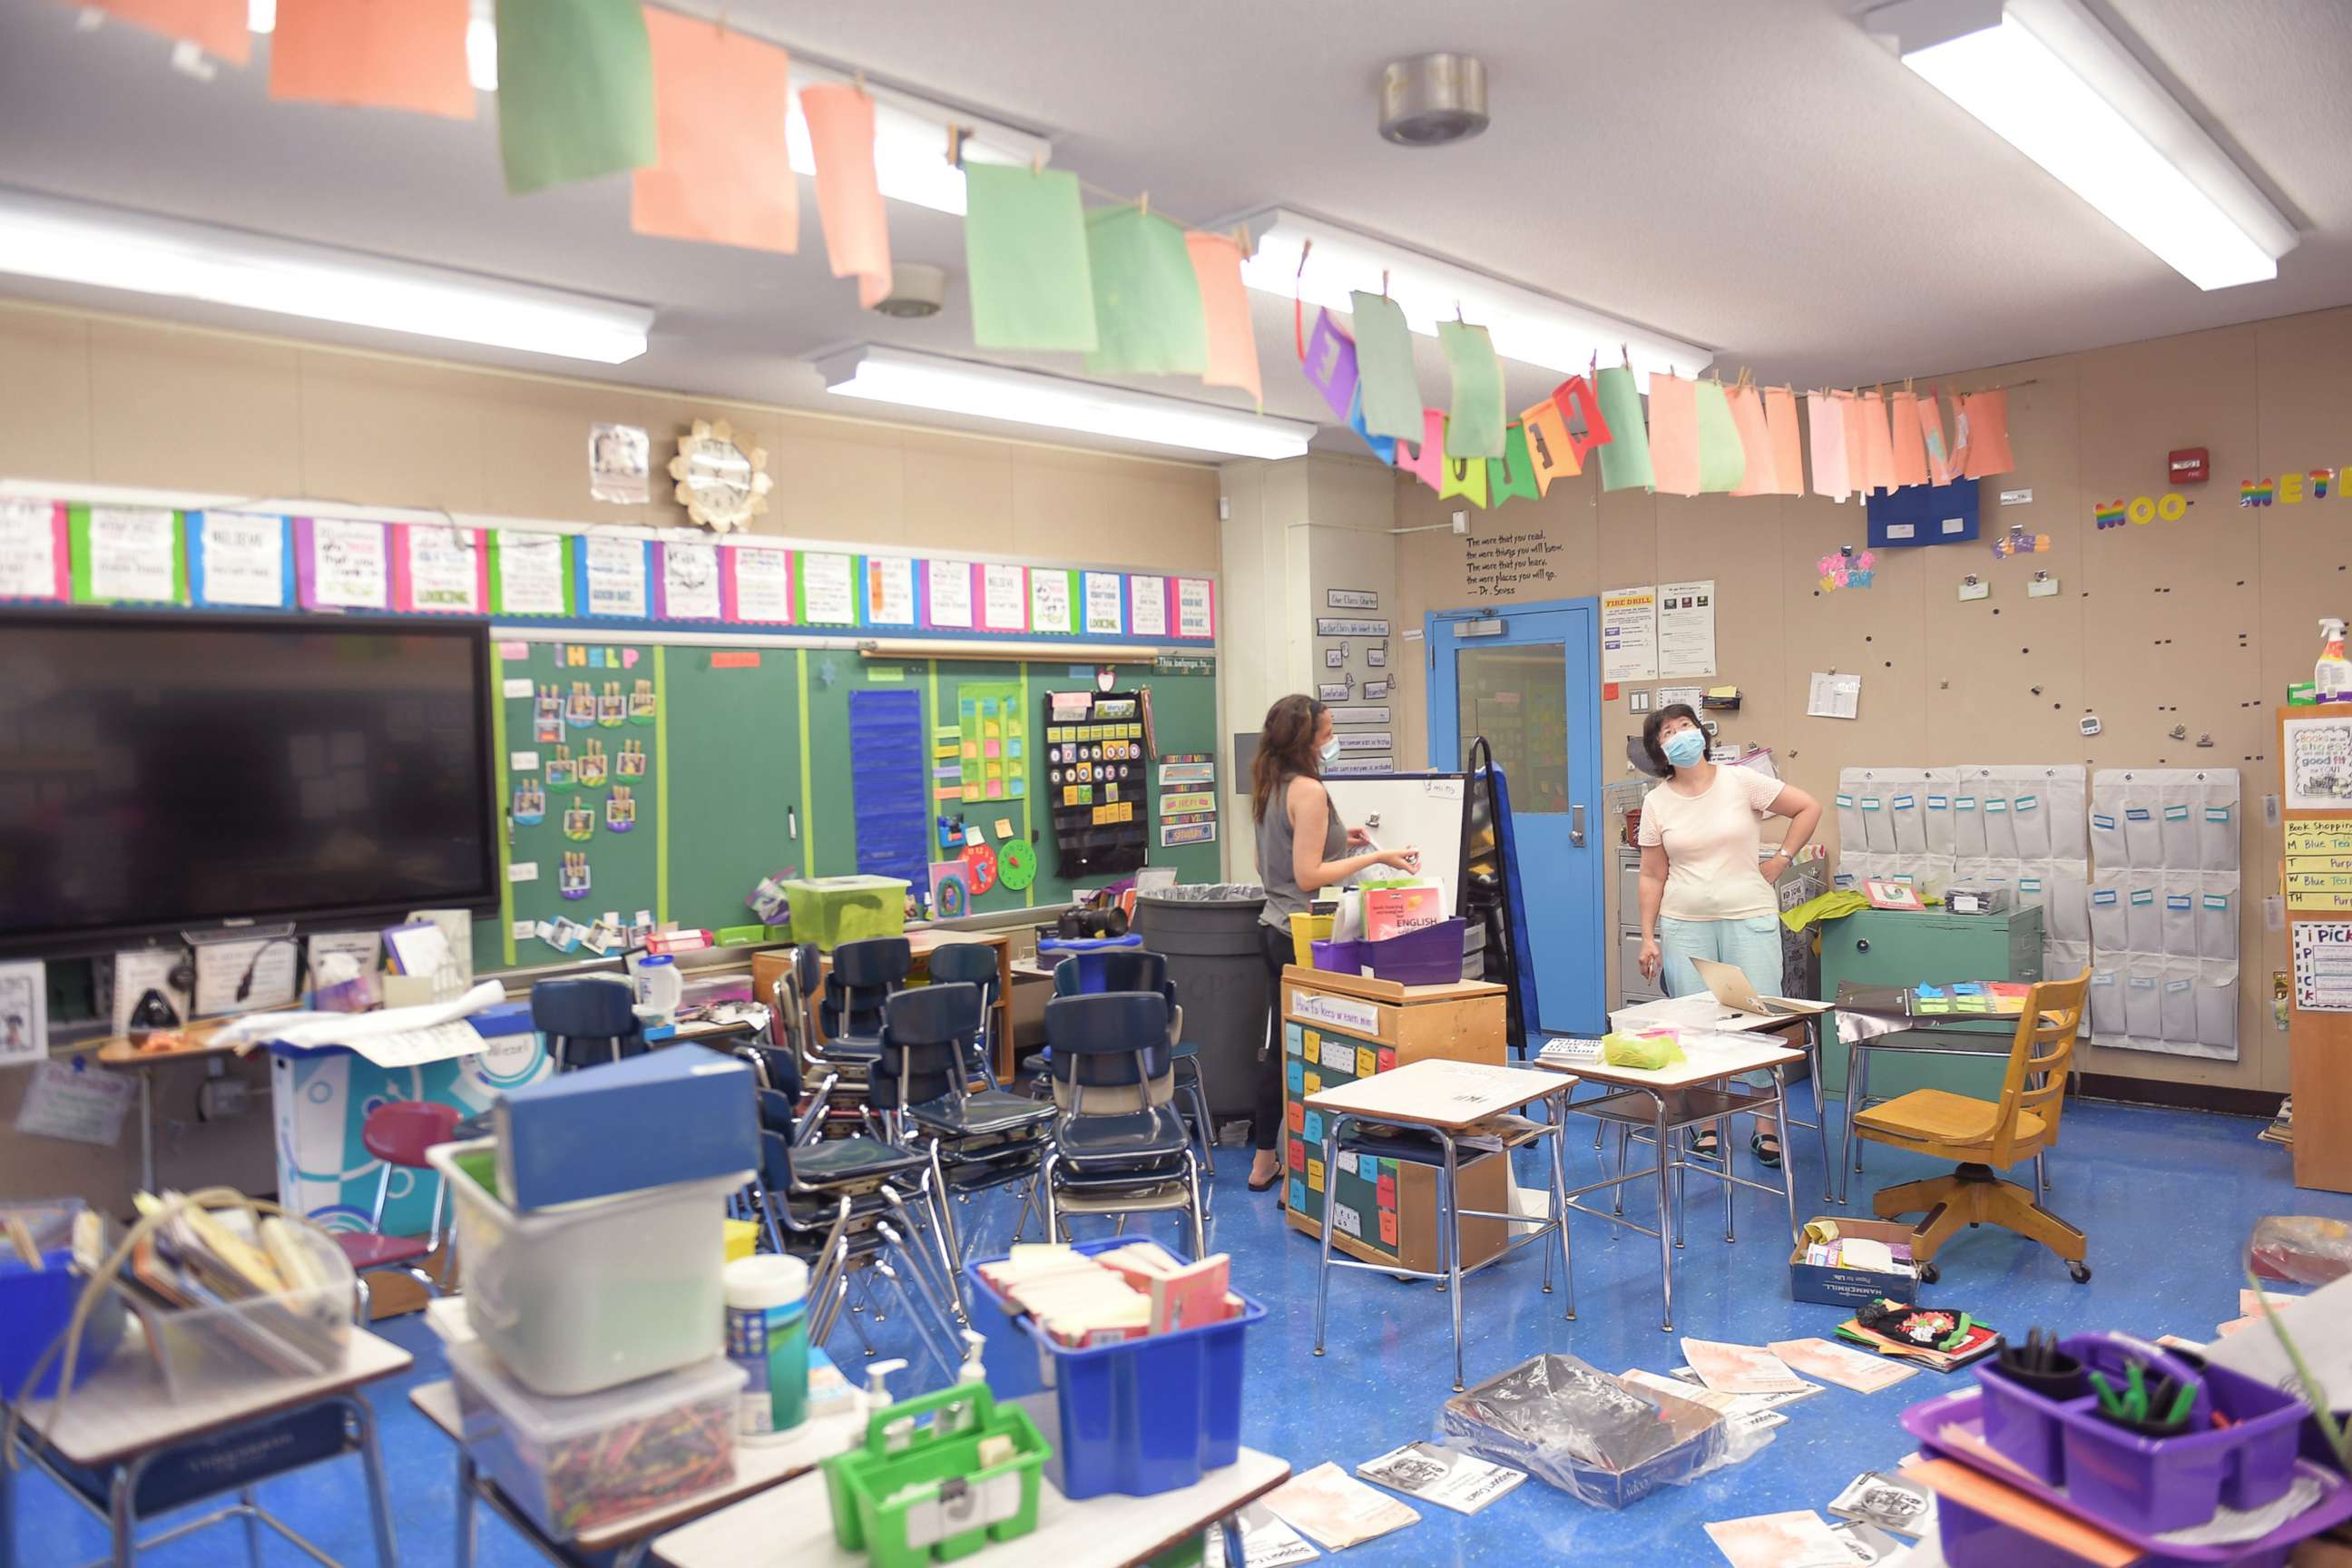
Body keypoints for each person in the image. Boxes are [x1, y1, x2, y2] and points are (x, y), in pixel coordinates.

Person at [1634, 704, 1822, 1166]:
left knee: (1756, 1019)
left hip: (1749, 917)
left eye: (1685, 726)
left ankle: (1764, 1123)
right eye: (1667, 732)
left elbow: (1807, 807)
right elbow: (1652, 875)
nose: (1679, 735)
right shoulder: (1658, 801)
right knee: (1697, 1025)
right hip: (1685, 924)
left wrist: (1780, 859)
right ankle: (1709, 1122)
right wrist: (1647, 936)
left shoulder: (1741, 781)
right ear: (1658, 750)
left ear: (1700, 733)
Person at [1249, 694, 1418, 1192]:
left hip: (1270, 926)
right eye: (1326, 733)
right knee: (1316, 1050)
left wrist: (1344, 840)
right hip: (1301, 933)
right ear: (1308, 740)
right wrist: (1377, 856)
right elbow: (1307, 875)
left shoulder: (1269, 785)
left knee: (1280, 1047)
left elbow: (1269, 864)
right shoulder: (1309, 791)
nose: (1332, 740)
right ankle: (1305, 1172)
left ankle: (1265, 1164)